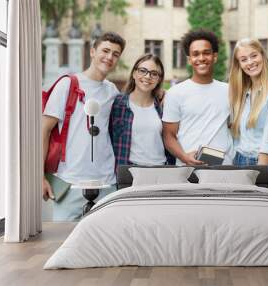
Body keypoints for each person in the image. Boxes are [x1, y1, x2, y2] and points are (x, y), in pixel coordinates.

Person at [42, 32, 126, 221]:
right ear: (92, 52)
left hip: (106, 184)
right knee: (63, 242)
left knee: (105, 243)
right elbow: (44, 129)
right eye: (105, 50)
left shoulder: (112, 90)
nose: (109, 57)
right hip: (70, 182)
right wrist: (39, 176)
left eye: (115, 54)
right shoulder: (68, 84)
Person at [162, 29, 233, 165]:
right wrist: (184, 157)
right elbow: (168, 135)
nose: (201, 58)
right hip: (187, 169)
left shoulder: (229, 90)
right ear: (189, 60)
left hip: (224, 168)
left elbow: (233, 126)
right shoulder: (175, 93)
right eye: (195, 54)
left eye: (206, 53)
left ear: (215, 56)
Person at [228, 38, 268, 196]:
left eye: (254, 56)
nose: (250, 62)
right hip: (240, 162)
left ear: (262, 55)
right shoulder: (242, 91)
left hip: (266, 163)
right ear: (239, 65)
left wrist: (261, 173)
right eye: (244, 59)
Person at [110, 53, 174, 167]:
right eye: (143, 70)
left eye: (154, 73)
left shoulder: (164, 105)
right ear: (134, 73)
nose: (148, 76)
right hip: (130, 171)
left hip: (161, 169)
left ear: (159, 79)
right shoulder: (117, 104)